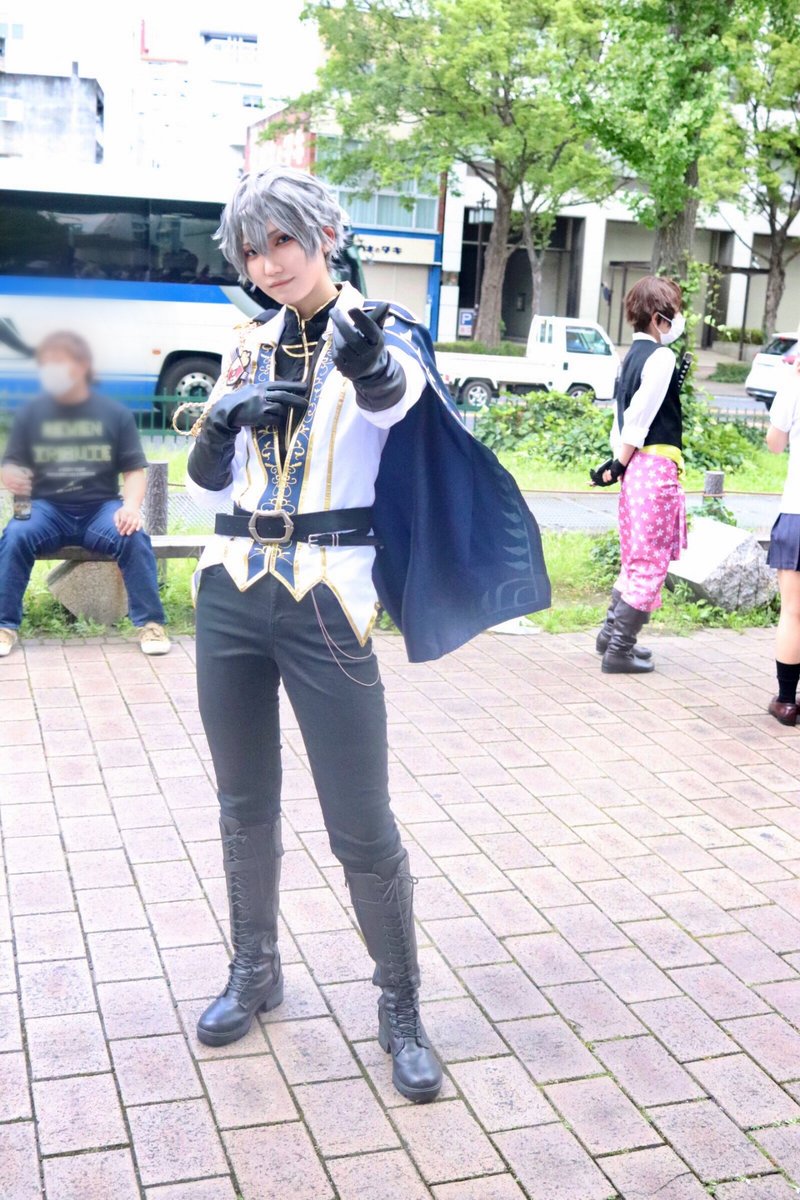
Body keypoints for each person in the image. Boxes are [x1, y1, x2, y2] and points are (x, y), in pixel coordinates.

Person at [182, 166, 549, 1103]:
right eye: (253, 249)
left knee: (359, 820)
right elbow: (207, 487)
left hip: (327, 599)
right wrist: (219, 429)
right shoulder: (244, 343)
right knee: (242, 803)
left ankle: (400, 1007)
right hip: (229, 586)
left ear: (325, 235)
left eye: (283, 241)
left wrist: (371, 364)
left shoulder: (381, 330)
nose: (269, 263)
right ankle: (255, 970)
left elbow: (401, 411)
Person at [0, 331, 170, 658]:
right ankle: (4, 626)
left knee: (133, 535)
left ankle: (151, 623)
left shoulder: (114, 414)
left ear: (82, 366)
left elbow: (134, 471)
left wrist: (131, 507)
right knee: (16, 535)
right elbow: (11, 465)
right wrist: (11, 475)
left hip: (100, 509)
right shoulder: (30, 414)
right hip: (46, 509)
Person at [590, 275, 688, 674]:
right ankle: (619, 650)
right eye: (674, 313)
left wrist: (617, 462)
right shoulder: (661, 358)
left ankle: (609, 637)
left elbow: (622, 418)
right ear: (658, 317)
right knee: (648, 563)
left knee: (635, 558)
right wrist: (617, 463)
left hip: (635, 471)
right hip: (654, 468)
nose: (677, 320)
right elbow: (638, 418)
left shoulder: (630, 356)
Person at [765, 353, 800, 725]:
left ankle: (787, 702)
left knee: (793, 611)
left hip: (798, 511)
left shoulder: (796, 384)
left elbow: (774, 443)